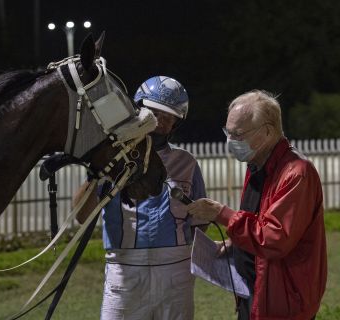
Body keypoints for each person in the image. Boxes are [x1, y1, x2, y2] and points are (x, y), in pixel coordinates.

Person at [73, 76, 208, 320]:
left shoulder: (187, 163)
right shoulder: (112, 159)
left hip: (175, 269)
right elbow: (82, 216)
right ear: (139, 110)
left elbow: (201, 222)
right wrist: (97, 174)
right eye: (154, 113)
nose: (160, 123)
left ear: (176, 124)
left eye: (168, 118)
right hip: (124, 269)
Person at [187, 90, 327, 320]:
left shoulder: (296, 173)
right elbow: (259, 220)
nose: (230, 142)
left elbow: (274, 238)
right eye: (228, 132)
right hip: (256, 291)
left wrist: (221, 214)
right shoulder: (257, 163)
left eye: (238, 134)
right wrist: (238, 242)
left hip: (283, 302)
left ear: (268, 132)